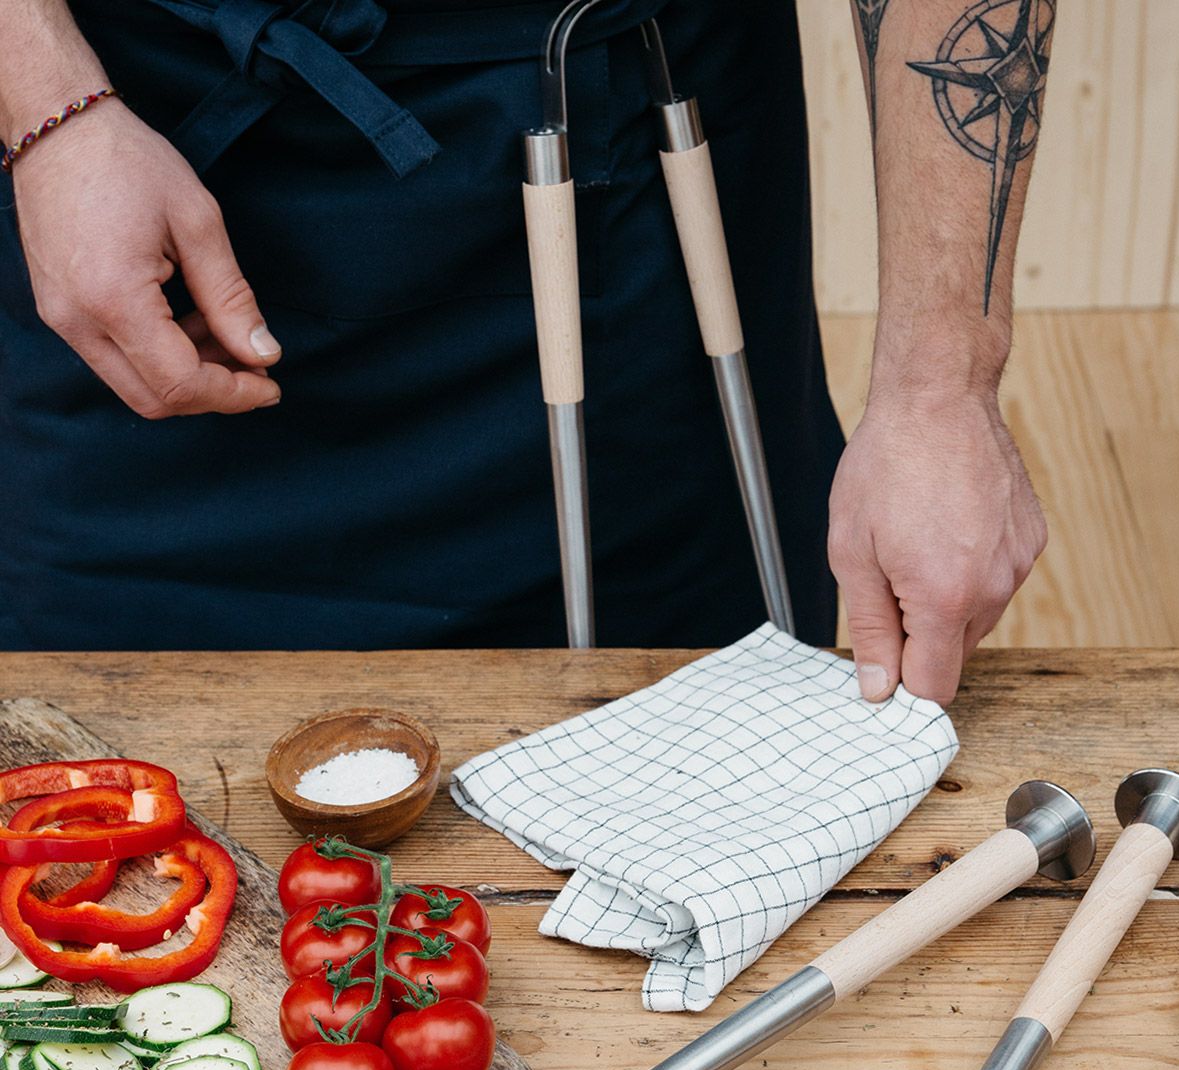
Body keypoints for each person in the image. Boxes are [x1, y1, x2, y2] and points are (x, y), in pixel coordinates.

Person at [0, 0, 1051, 704]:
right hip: (116, 144)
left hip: (615, 121)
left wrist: (941, 386)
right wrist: (46, 101)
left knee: (696, 759)